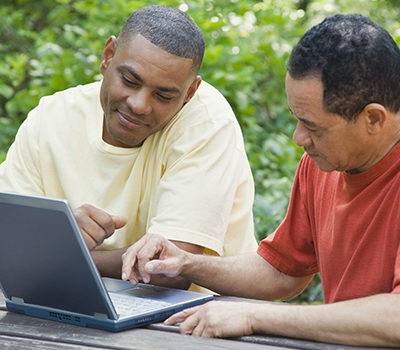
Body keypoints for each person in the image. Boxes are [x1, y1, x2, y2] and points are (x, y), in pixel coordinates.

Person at [121, 14, 400, 347]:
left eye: (313, 127)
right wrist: (186, 263)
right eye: (297, 120)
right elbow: (282, 272)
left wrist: (254, 316)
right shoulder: (323, 164)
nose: (299, 138)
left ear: (373, 118)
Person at [0, 5, 257, 291]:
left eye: (163, 95)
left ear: (190, 92)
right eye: (130, 80)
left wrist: (62, 250)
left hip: (197, 322)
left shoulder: (207, 122)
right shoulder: (51, 116)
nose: (139, 105)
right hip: (66, 306)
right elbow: (9, 242)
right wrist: (51, 246)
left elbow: (168, 271)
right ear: (108, 56)